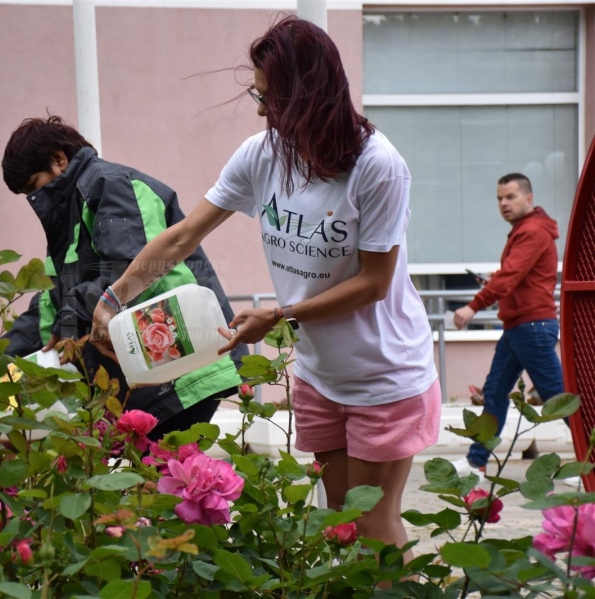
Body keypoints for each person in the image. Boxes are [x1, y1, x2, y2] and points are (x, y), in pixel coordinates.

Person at [89, 16, 440, 555]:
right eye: (259, 95)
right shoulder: (263, 154)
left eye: (270, 98)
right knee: (338, 525)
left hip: (384, 372)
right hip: (322, 374)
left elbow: (374, 282)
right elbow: (183, 236)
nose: (260, 110)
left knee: (371, 523)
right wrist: (115, 298)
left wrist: (279, 316)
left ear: (308, 96)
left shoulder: (377, 166)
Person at [0, 116, 247, 441]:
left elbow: (133, 262)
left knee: (165, 483)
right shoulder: (69, 223)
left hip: (184, 368)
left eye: (35, 185)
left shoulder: (110, 184)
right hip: (149, 378)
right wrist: (0, 358)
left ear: (59, 159)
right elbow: (53, 305)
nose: (35, 200)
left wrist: (71, 318)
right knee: (158, 485)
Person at [451, 173, 566, 477]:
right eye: (500, 198)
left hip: (532, 327)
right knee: (495, 392)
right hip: (519, 326)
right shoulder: (525, 230)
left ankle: (589, 453)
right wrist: (497, 279)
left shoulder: (532, 231)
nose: (503, 203)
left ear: (529, 198)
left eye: (510, 196)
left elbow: (511, 274)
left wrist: (473, 305)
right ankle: (476, 461)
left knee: (558, 397)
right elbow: (517, 274)